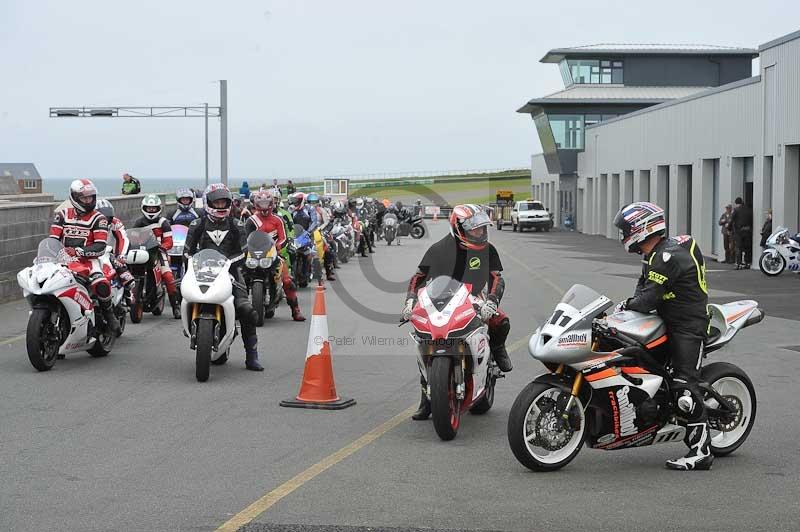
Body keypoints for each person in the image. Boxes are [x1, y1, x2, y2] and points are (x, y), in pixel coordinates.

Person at [613, 202, 712, 471]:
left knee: (684, 387)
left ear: (643, 228)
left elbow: (647, 298)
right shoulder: (653, 254)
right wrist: (624, 308)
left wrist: (627, 304)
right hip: (664, 319)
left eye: (626, 229)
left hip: (687, 325)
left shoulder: (667, 256)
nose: (623, 235)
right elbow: (642, 289)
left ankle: (701, 452)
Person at [401, 204, 512, 421]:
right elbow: (418, 277)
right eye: (474, 229)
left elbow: (497, 277)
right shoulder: (438, 249)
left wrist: (491, 301)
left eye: (482, 228)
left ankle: (497, 350)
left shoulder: (488, 249)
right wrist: (409, 302)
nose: (480, 233)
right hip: (442, 299)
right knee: (425, 340)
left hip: (476, 297)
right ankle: (427, 400)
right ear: (458, 228)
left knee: (502, 320)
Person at [184, 183, 264, 371]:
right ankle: (191, 326)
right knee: (183, 294)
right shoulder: (197, 224)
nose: (221, 206)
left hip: (232, 273)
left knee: (246, 310)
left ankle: (252, 355)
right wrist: (192, 263)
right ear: (207, 203)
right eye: (217, 202)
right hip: (201, 271)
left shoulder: (237, 225)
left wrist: (227, 264)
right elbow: (187, 252)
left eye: (224, 202)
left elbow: (245, 252)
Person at [49, 180, 121, 336]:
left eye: (91, 197)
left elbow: (100, 246)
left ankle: (109, 314)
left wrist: (78, 252)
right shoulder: (62, 215)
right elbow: (53, 240)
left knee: (101, 283)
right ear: (74, 197)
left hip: (90, 260)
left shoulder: (99, 218)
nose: (89, 201)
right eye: (84, 198)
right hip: (64, 259)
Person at [244, 190, 306, 321]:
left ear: (272, 204)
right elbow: (246, 239)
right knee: (239, 277)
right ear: (256, 204)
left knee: (287, 280)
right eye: (261, 203)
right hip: (254, 255)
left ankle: (295, 310)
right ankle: (238, 309)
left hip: (273, 254)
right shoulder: (251, 221)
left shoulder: (278, 219)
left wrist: (279, 246)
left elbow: (283, 237)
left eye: (267, 203)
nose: (264, 207)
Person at [133, 194, 181, 319]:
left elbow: (169, 241)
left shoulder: (163, 223)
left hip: (159, 253)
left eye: (154, 208)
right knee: (127, 272)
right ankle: (124, 301)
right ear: (144, 208)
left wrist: (163, 246)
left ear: (158, 208)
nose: (151, 211)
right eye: (149, 208)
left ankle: (176, 307)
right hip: (142, 252)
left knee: (168, 276)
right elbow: (132, 238)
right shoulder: (139, 222)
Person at [96, 198, 135, 305]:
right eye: (102, 217)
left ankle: (128, 291)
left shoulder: (115, 222)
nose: (105, 220)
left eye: (107, 217)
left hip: (109, 252)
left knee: (120, 266)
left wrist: (121, 255)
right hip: (90, 253)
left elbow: (123, 238)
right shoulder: (87, 222)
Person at [306, 193, 337, 280]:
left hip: (319, 232)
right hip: (307, 233)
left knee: (328, 249)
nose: (312, 204)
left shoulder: (321, 210)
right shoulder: (305, 211)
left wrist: (320, 229)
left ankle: (329, 273)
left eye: (314, 202)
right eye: (310, 202)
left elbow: (327, 222)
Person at [731, 197, 753, 269]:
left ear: (737, 203)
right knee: (747, 248)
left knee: (738, 248)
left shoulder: (736, 210)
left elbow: (732, 220)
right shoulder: (749, 210)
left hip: (739, 232)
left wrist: (729, 228)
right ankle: (747, 263)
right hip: (748, 231)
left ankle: (739, 264)